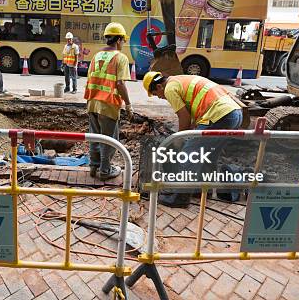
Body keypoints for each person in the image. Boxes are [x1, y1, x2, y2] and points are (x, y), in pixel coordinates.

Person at [143, 71, 243, 207]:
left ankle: (181, 197)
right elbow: (191, 117)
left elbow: (183, 116)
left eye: (156, 94)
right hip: (234, 113)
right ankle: (201, 190)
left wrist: (178, 140)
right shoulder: (179, 79)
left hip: (219, 115)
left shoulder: (169, 88)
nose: (160, 98)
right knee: (209, 155)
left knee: (189, 154)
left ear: (160, 87)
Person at [84, 22, 133, 180]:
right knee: (109, 139)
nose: (123, 44)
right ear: (118, 40)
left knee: (95, 136)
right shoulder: (121, 58)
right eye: (123, 41)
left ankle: (93, 167)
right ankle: (105, 170)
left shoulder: (96, 56)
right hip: (108, 104)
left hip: (92, 102)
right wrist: (128, 105)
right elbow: (120, 84)